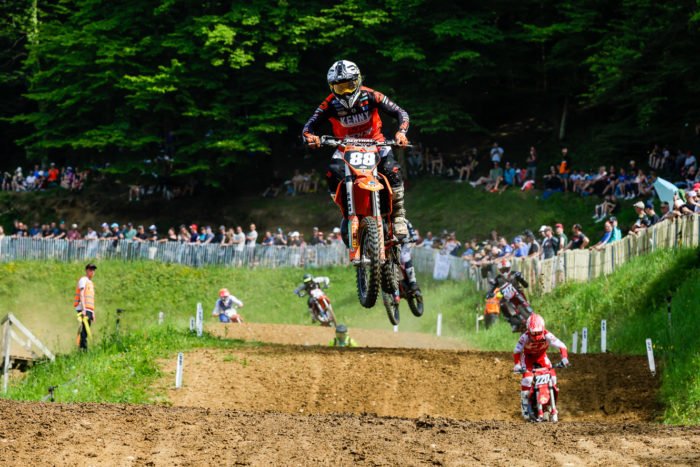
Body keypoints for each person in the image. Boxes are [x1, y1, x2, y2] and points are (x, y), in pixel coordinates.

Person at [302, 60, 410, 237]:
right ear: (332, 88)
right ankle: (348, 212)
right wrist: (310, 138)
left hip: (376, 144)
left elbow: (401, 112)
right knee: (333, 173)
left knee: (391, 169)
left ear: (358, 81)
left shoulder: (372, 96)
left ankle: (398, 216)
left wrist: (401, 132)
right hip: (346, 147)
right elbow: (308, 127)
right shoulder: (329, 104)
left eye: (349, 86)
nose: (345, 92)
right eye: (340, 88)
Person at [513, 314, 570, 420]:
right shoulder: (524, 337)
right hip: (528, 358)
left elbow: (561, 346)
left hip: (541, 357)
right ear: (528, 330)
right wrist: (517, 365)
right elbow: (517, 350)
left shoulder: (548, 335)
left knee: (553, 377)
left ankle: (550, 404)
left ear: (543, 329)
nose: (536, 335)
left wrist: (564, 358)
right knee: (527, 379)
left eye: (538, 332)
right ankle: (525, 407)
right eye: (533, 333)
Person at [73, 263, 97, 350]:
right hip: (83, 308)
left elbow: (91, 299)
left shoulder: (91, 283)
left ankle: (82, 348)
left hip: (88, 309)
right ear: (86, 270)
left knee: (86, 329)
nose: (92, 271)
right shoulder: (83, 280)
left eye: (93, 270)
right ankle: (83, 349)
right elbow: (82, 294)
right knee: (84, 329)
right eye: (90, 269)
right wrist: (83, 309)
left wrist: (92, 312)